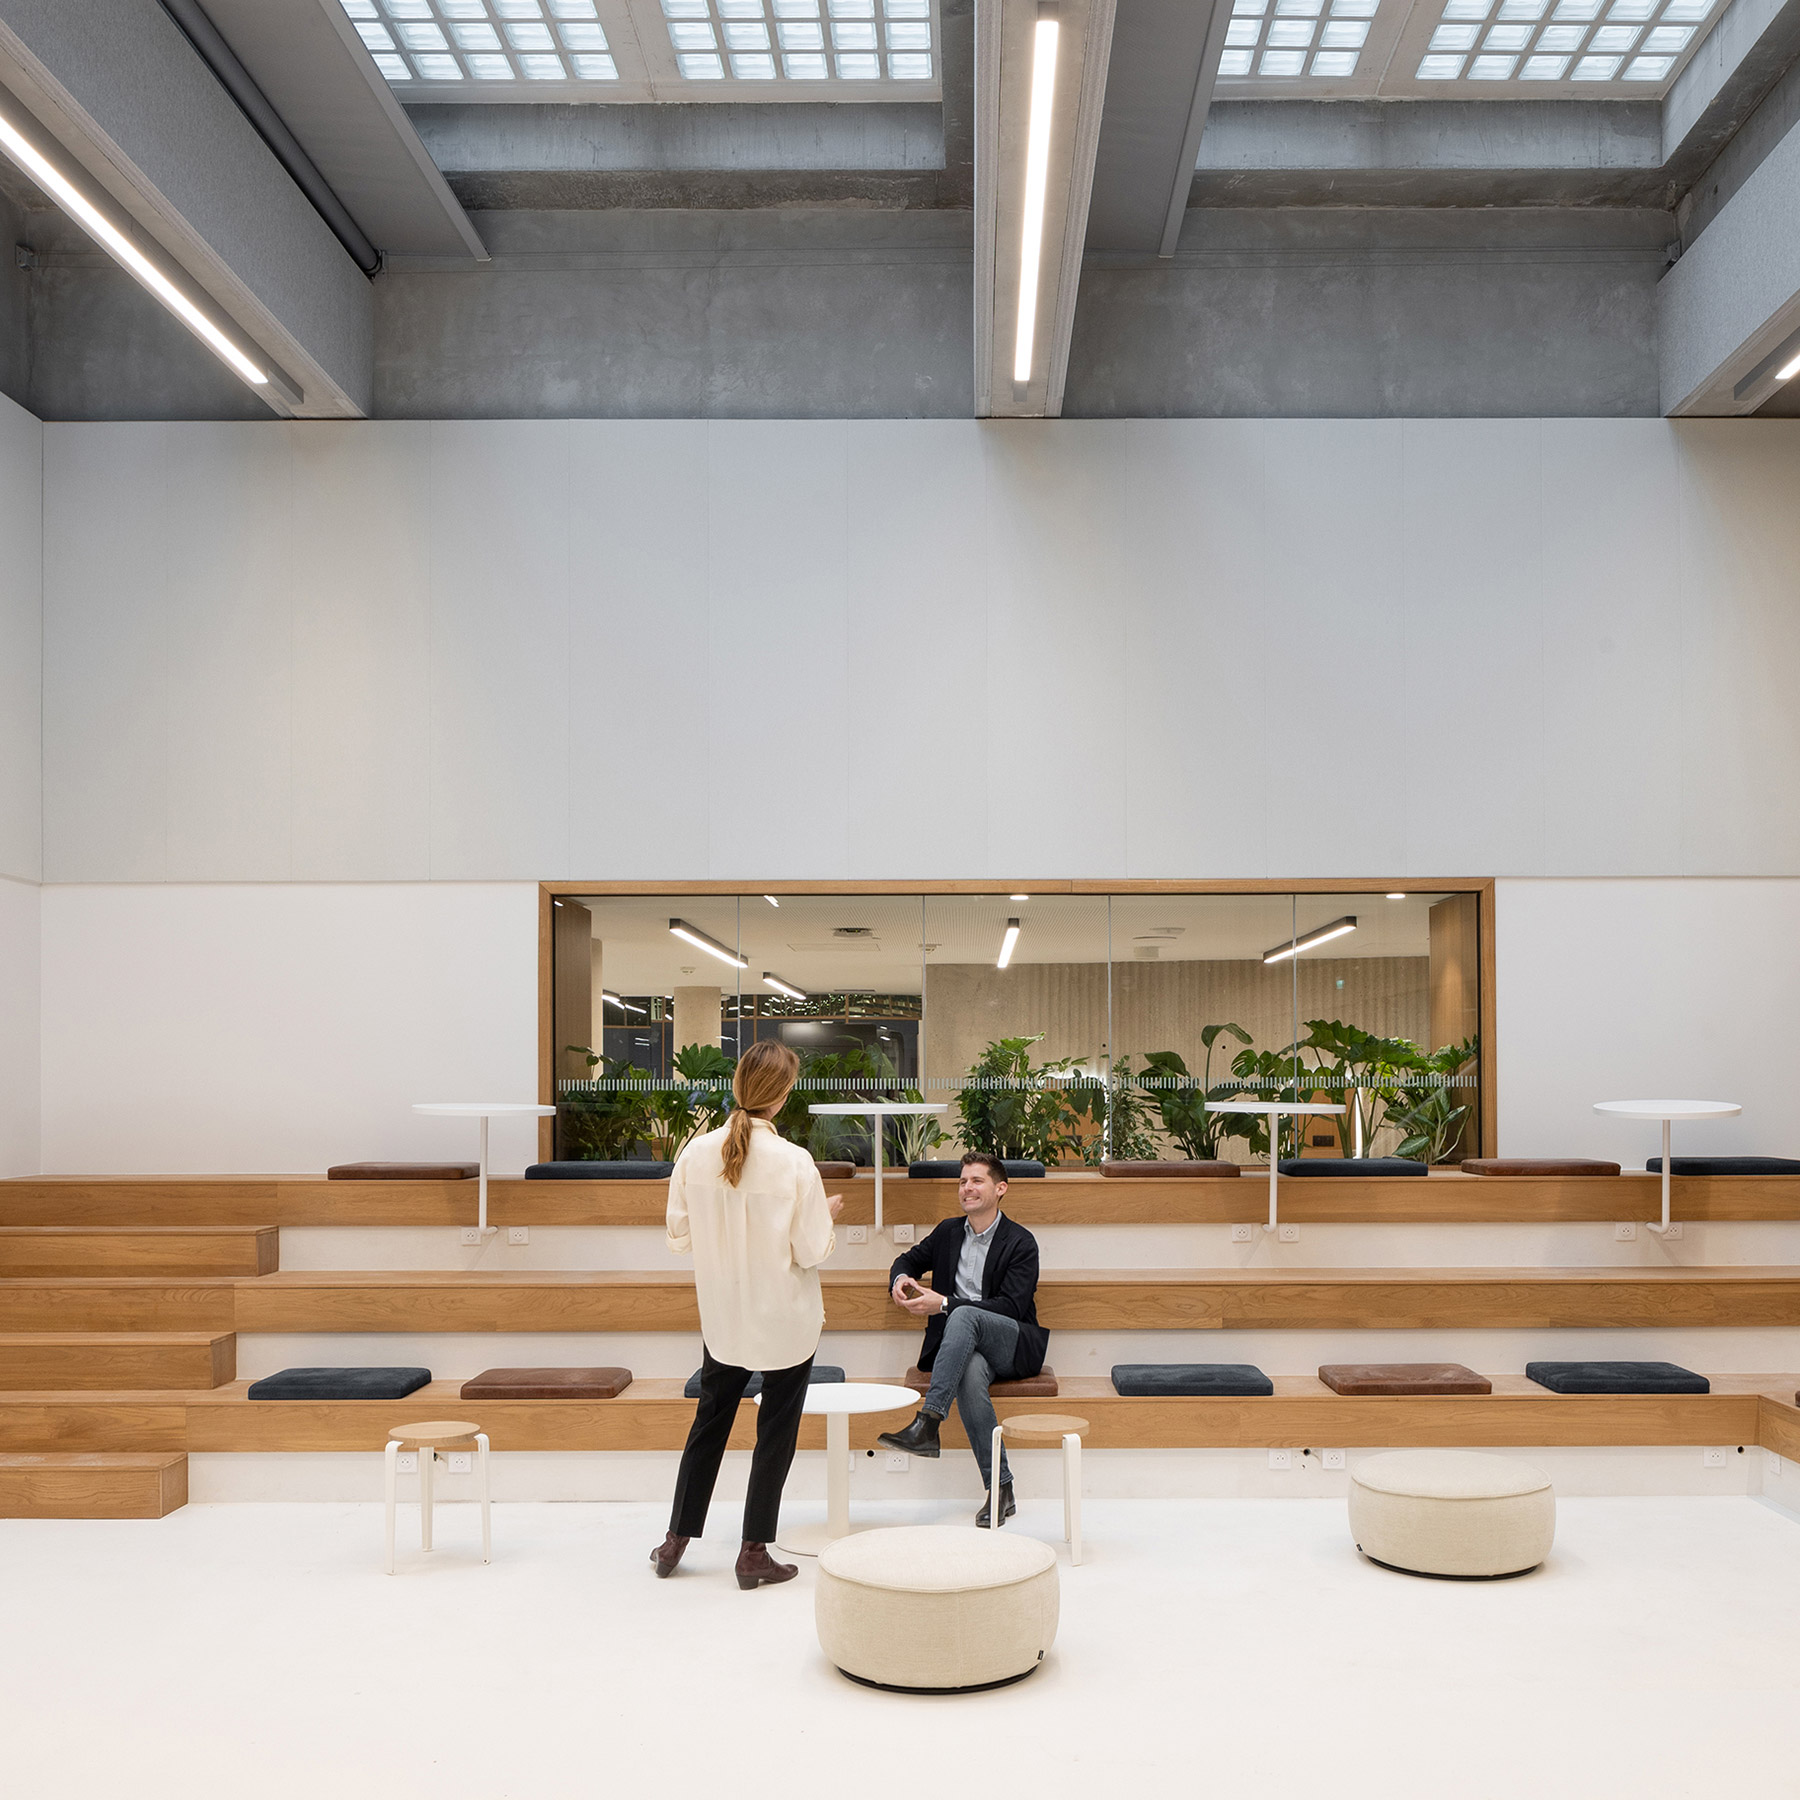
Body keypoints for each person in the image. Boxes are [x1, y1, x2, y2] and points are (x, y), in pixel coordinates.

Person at [652, 1039, 843, 1589]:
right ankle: (753, 1551)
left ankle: (675, 1540)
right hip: (786, 1320)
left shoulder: (695, 1153)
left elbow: (679, 1237)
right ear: (781, 1096)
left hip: (724, 1318)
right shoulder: (796, 1163)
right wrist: (825, 1217)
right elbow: (811, 1250)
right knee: (774, 1433)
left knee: (708, 1425)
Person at [877, 1150, 1048, 1527]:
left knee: (964, 1312)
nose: (967, 1188)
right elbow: (907, 1260)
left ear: (1000, 1188)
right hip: (965, 1348)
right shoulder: (948, 1232)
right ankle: (1001, 1488)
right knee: (969, 1374)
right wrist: (900, 1279)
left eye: (976, 1181)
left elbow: (1011, 1308)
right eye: (962, 1181)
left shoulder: (1021, 1242)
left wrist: (944, 1304)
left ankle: (928, 1422)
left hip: (1012, 1342)